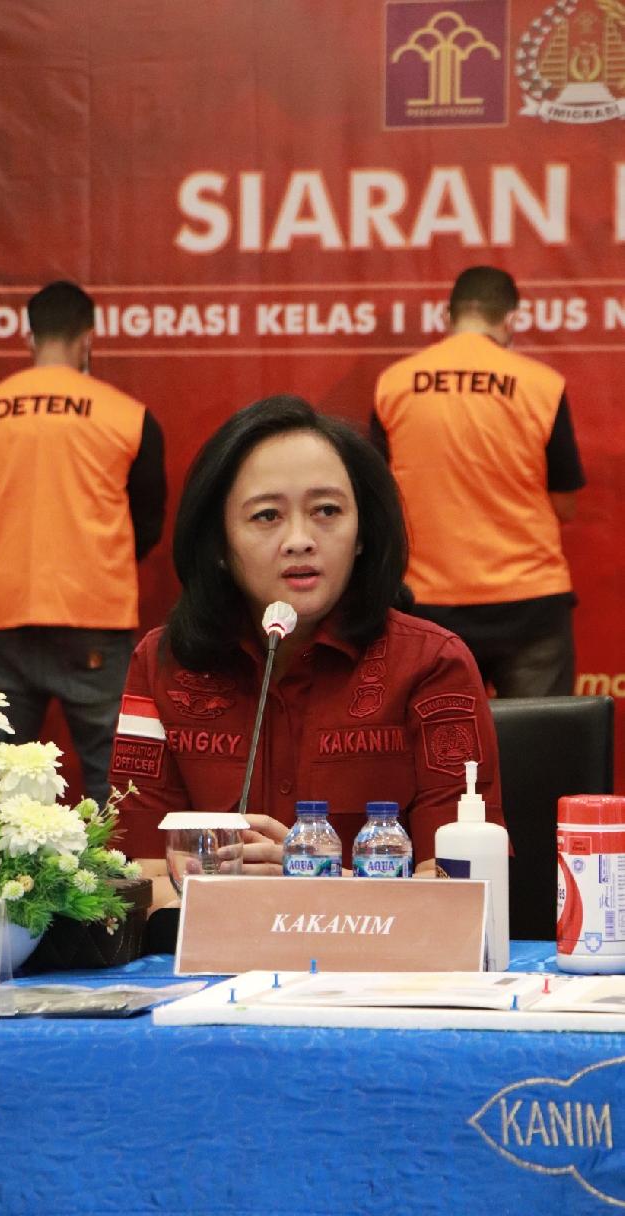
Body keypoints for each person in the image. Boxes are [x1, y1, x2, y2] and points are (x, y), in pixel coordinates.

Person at [109, 394, 503, 900]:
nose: (299, 539)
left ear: (362, 534)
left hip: (371, 951)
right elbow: (137, 875)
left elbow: (463, 888)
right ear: (219, 544)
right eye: (266, 515)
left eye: (326, 511)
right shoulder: (162, 665)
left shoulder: (433, 664)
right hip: (217, 946)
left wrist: (314, 885)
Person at [0, 280, 166, 806]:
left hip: (6, 619)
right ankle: (115, 863)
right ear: (88, 338)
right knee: (114, 782)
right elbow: (147, 526)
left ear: (29, 337)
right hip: (95, 619)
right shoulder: (127, 416)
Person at [373, 266, 585, 698]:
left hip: (427, 605)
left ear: (446, 317)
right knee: (540, 738)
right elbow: (565, 503)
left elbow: (376, 496)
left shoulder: (394, 384)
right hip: (530, 603)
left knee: (436, 737)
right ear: (511, 319)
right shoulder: (541, 385)